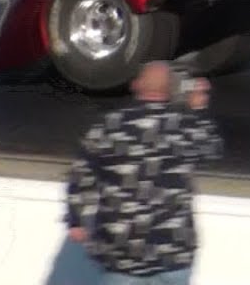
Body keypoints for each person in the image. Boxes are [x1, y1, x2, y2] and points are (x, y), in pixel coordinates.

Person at [64, 61, 223, 284]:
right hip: (173, 253)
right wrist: (198, 108)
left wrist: (77, 220)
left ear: (136, 85)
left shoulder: (109, 125)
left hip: (120, 253)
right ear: (172, 89)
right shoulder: (185, 125)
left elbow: (81, 174)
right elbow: (212, 151)